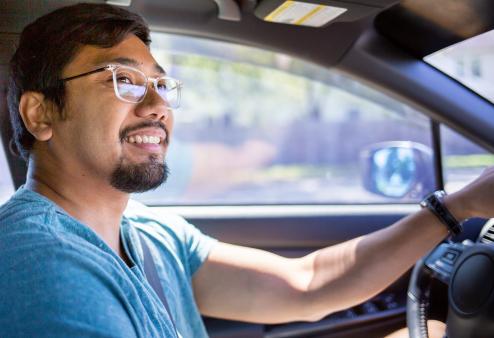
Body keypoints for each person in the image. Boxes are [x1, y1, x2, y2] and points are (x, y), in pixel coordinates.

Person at [0, 3, 493, 337]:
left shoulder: (146, 231)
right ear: (41, 114)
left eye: (163, 84)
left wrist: (459, 206)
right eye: (124, 81)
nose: (157, 106)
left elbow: (309, 282)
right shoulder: (37, 263)